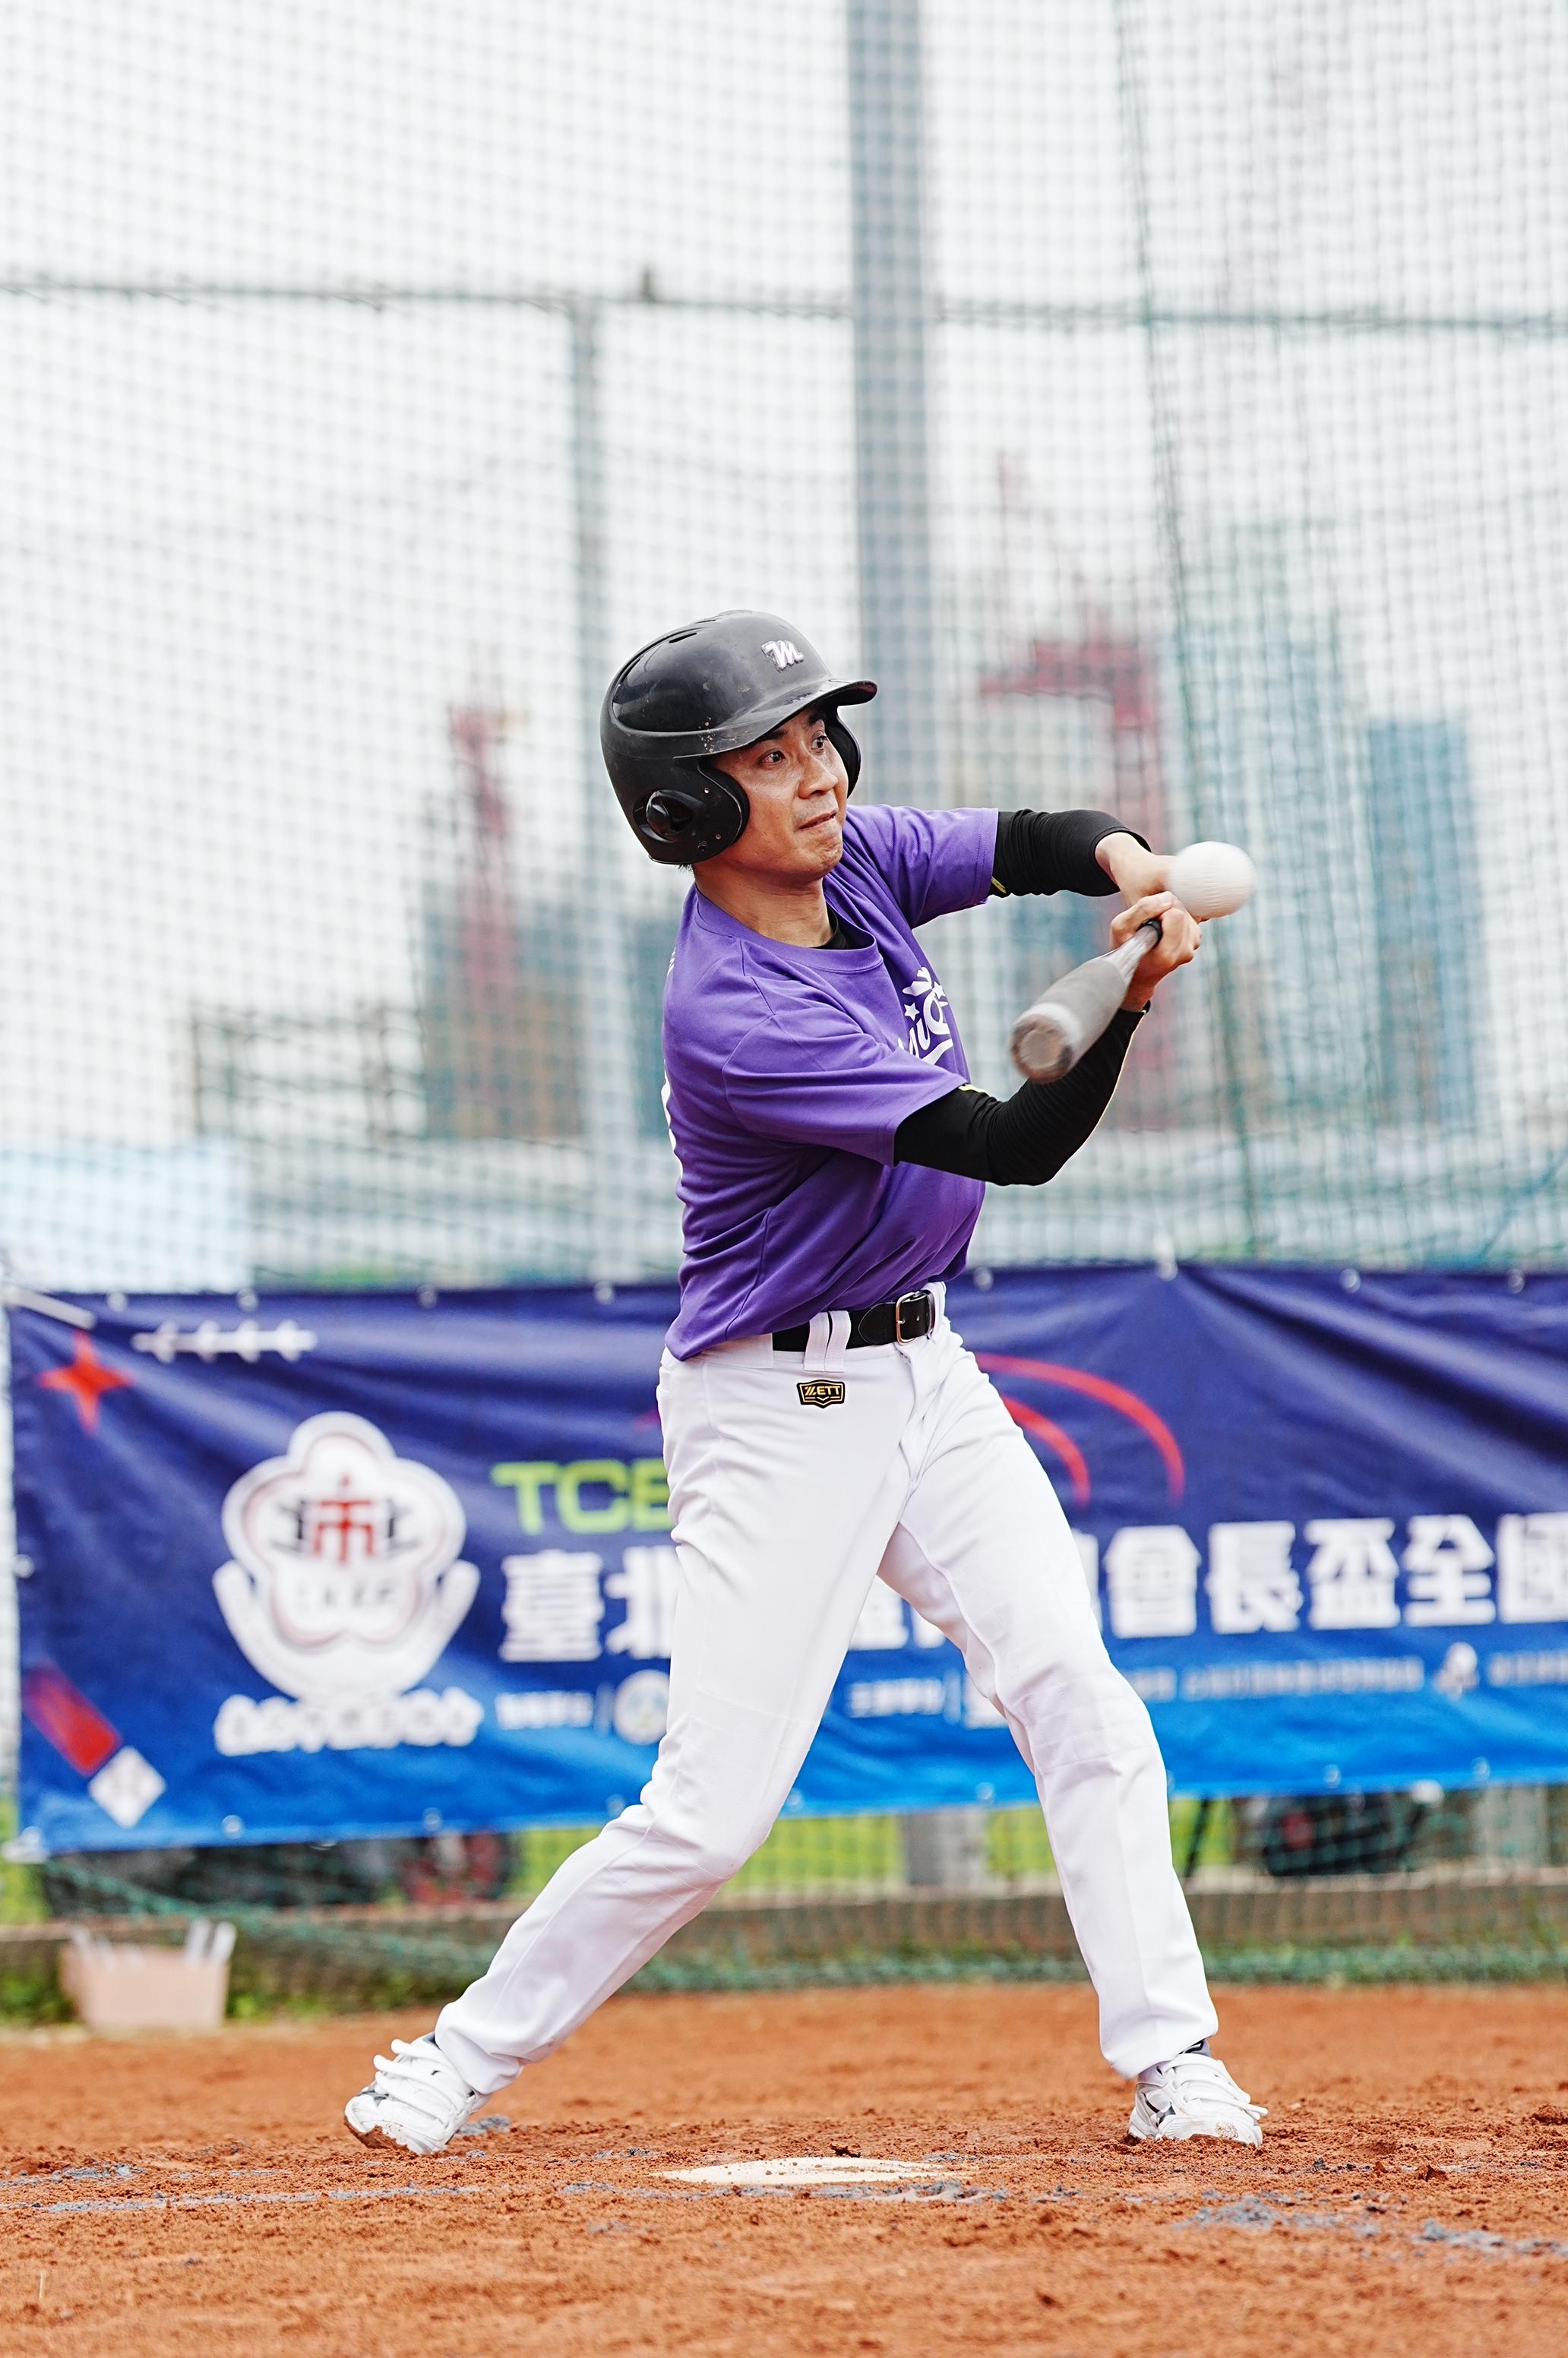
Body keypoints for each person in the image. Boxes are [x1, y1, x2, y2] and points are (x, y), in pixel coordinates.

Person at [345, 612, 1263, 2154]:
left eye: (818, 739)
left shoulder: (856, 862)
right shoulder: (735, 1012)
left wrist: (1130, 865)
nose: (819, 774)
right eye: (768, 759)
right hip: (777, 1411)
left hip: (929, 1374)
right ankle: (452, 2059)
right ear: (688, 808)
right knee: (712, 1815)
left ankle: (1175, 2058)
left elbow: (1030, 839)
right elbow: (1011, 1144)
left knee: (1076, 1691)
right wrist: (1137, 1003)